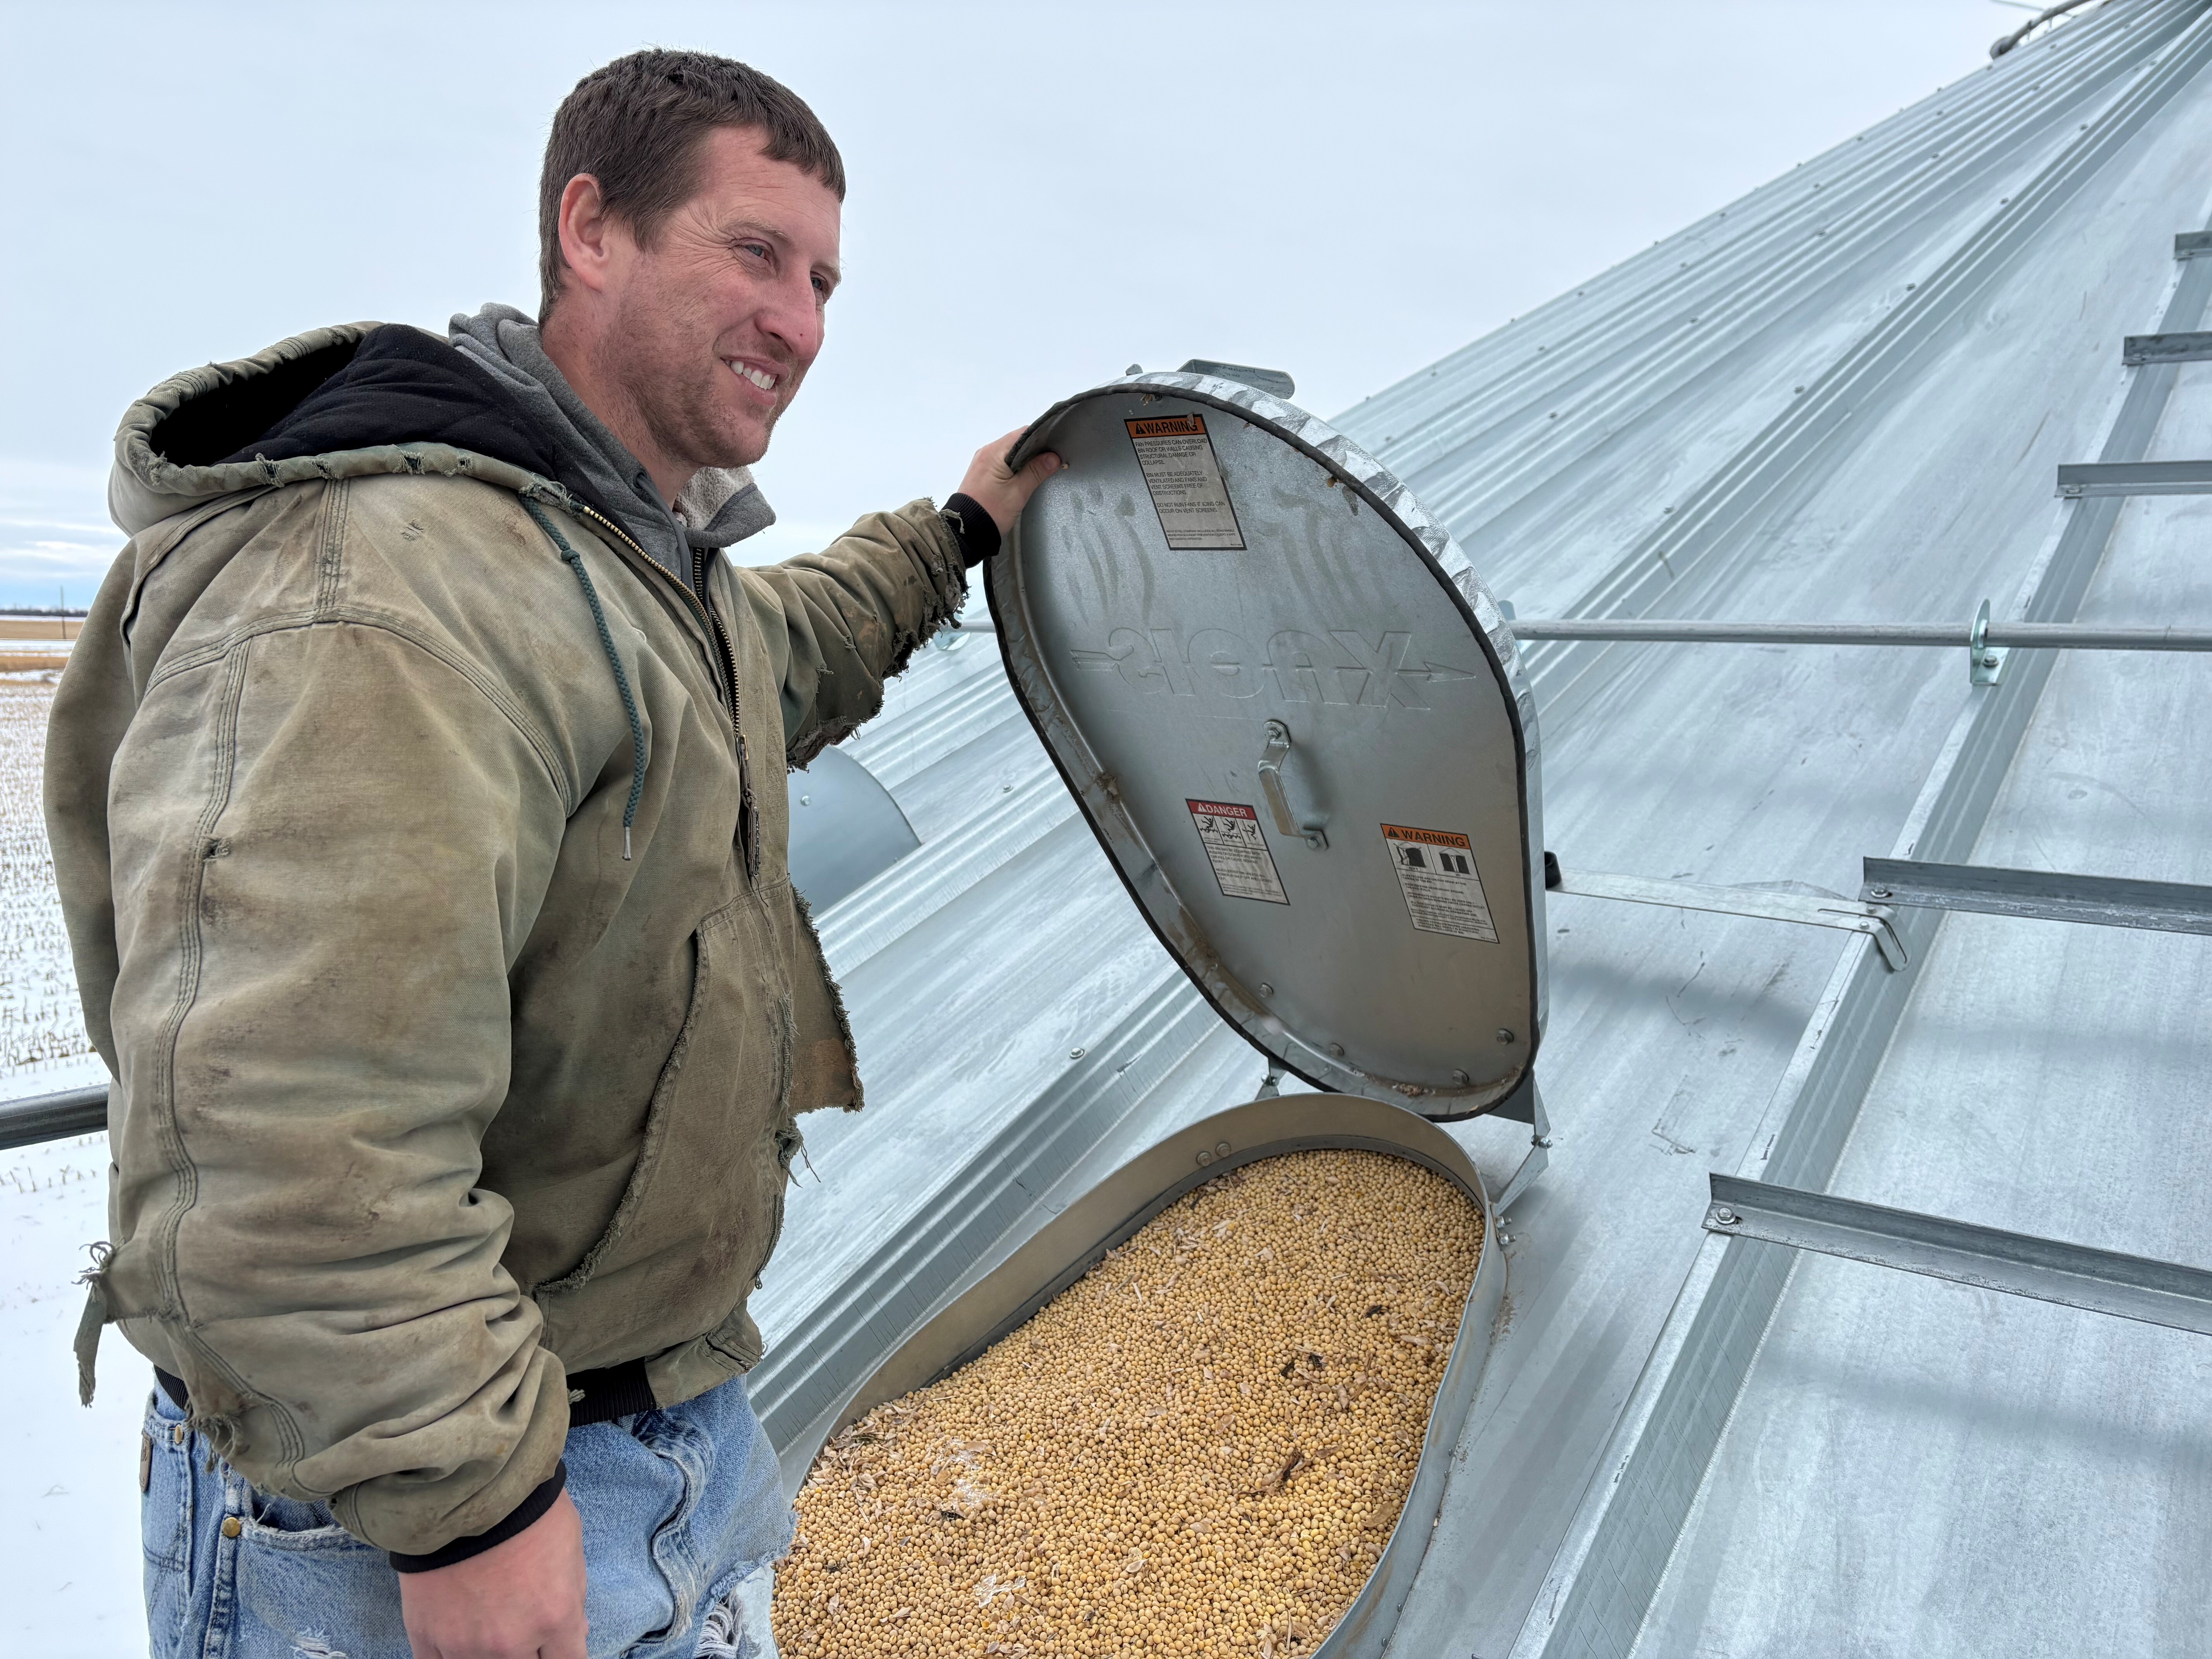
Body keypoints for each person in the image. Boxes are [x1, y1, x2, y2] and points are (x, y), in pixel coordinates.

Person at [45, 48, 1059, 1659]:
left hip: (649, 1438)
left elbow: (785, 648)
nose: (799, 321)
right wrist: (475, 1510)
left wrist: (964, 528)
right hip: (414, 1520)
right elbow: (287, 1116)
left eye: (823, 280)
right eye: (754, 254)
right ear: (591, 230)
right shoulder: (387, 583)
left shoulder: (635, 561)